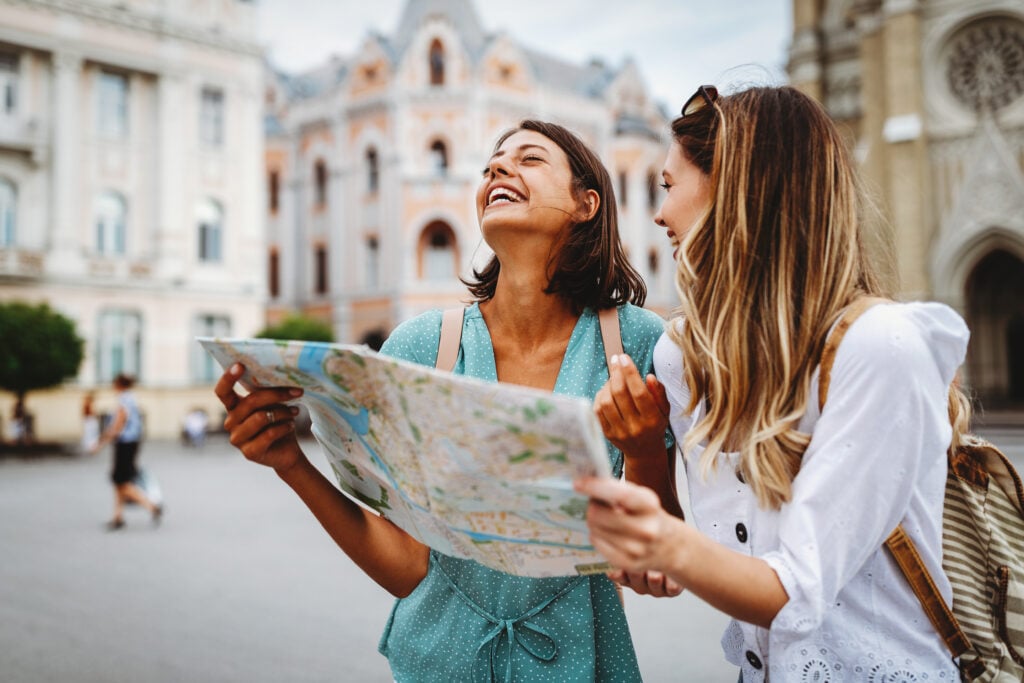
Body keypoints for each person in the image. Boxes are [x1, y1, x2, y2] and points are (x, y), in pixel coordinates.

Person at [214, 120, 678, 681]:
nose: (498, 170)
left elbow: (658, 559)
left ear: (587, 203)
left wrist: (648, 451)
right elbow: (408, 567)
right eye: (491, 165)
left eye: (529, 159)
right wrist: (292, 462)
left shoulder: (636, 342)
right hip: (436, 664)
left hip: (581, 664)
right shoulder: (421, 344)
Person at [576, 85, 970, 680]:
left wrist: (659, 541)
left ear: (735, 190)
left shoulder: (879, 346)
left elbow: (796, 591)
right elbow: (692, 563)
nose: (658, 214)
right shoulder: (684, 356)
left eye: (669, 185)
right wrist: (641, 456)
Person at [91, 373, 162, 530]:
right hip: (131, 443)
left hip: (125, 444)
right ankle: (118, 516)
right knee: (119, 482)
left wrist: (100, 443)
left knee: (122, 481)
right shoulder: (131, 398)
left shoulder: (123, 400)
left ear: (118, 385)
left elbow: (117, 426)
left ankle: (152, 506)